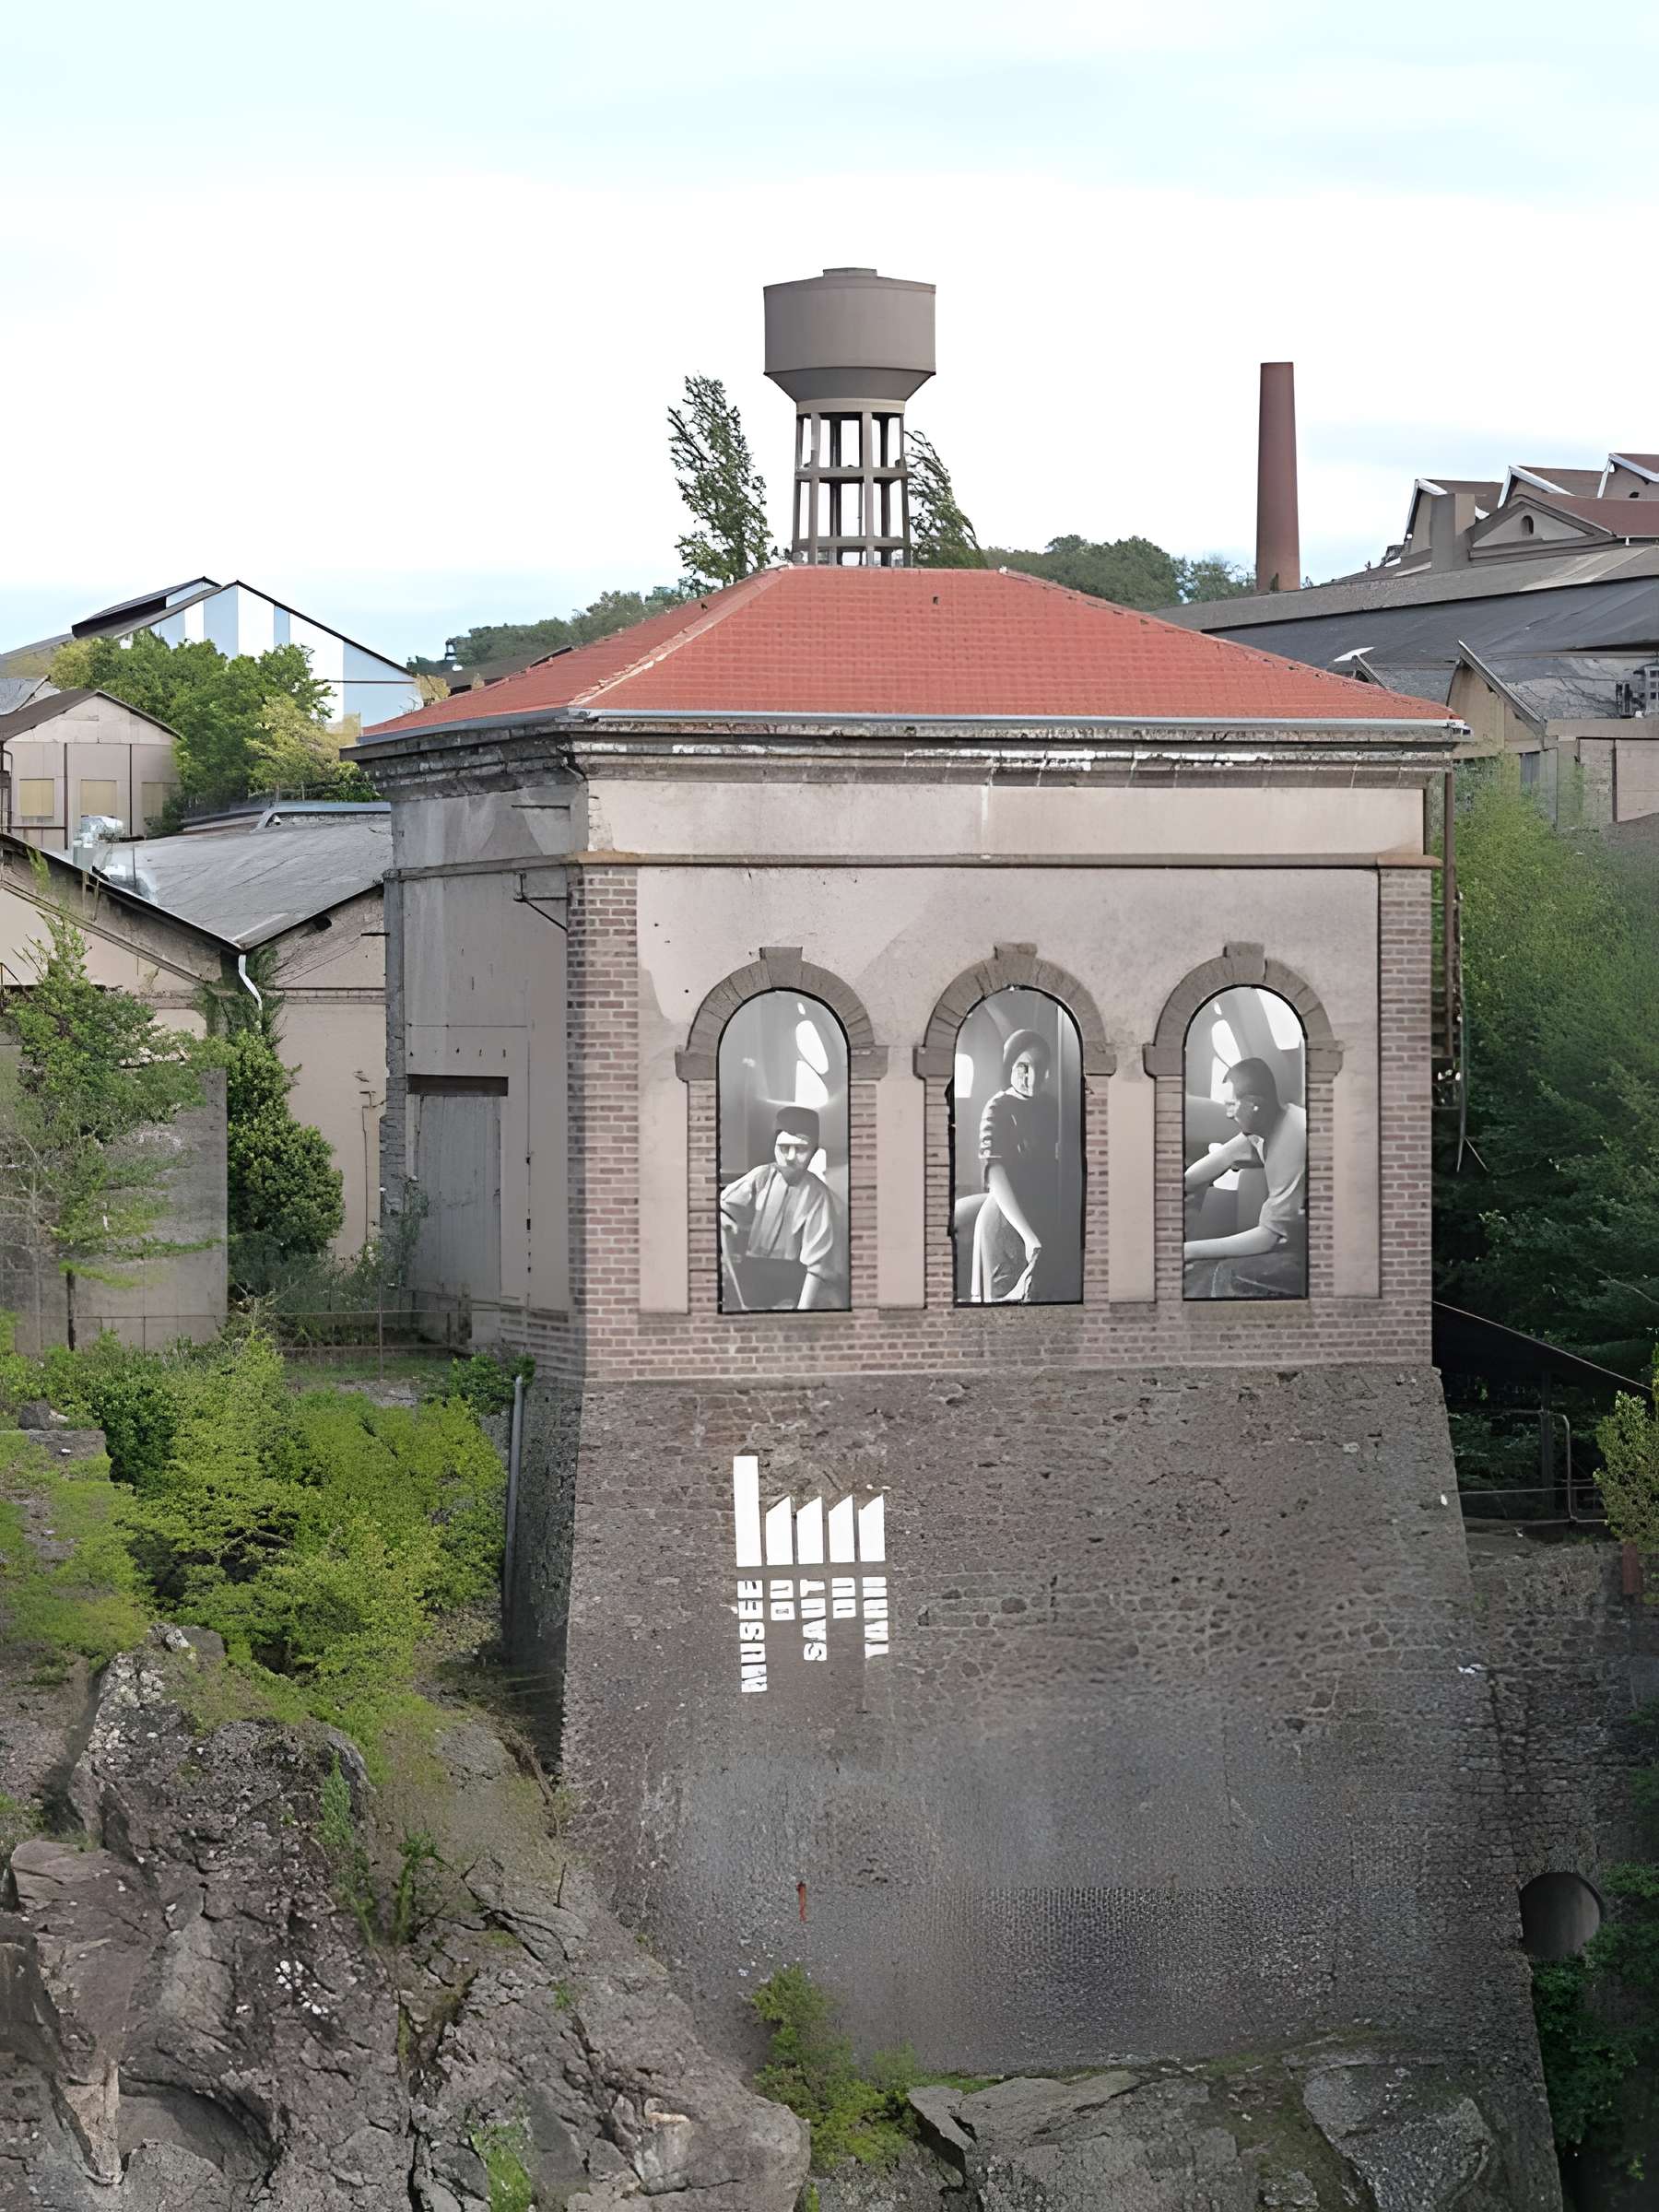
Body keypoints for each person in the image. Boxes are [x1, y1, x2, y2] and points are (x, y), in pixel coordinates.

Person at [1183, 1055, 1306, 1297]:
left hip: (1317, 1251)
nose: (1228, 1114)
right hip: (1290, 1240)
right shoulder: (1264, 1125)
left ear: (1253, 1105)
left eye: (1232, 1105)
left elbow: (1266, 1238)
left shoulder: (1295, 1137)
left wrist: (1186, 1251)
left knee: (1224, 1277)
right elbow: (1223, 1157)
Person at [971, 1028, 1068, 1303]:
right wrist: (1028, 1236)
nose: (1032, 1077)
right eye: (1023, 1067)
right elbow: (995, 1172)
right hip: (1008, 1219)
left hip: (1042, 1212)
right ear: (1009, 1067)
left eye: (1039, 1067)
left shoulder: (1051, 1107)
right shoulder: (998, 1108)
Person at [720, 1105, 848, 1312]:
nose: (789, 1157)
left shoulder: (818, 1196)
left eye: (800, 1149)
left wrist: (802, 1310)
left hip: (793, 1279)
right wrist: (724, 1217)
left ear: (814, 1151)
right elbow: (725, 1205)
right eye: (783, 1148)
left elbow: (816, 1267)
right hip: (752, 1272)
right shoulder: (760, 1176)